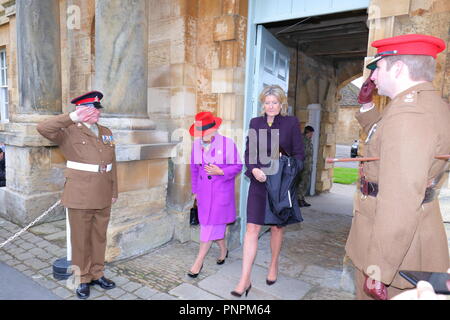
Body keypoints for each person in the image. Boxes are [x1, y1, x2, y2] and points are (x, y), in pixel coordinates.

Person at [345, 34, 450, 300]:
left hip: (396, 253)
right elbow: (384, 140)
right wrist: (367, 106)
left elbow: (400, 199)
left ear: (399, 67)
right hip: (409, 241)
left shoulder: (409, 116)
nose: (374, 77)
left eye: (378, 68)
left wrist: (379, 268)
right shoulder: (424, 105)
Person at [37, 91, 118, 299]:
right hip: (80, 194)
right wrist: (72, 117)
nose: (97, 113)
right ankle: (81, 278)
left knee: (99, 237)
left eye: (98, 109)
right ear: (82, 110)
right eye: (93, 109)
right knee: (81, 239)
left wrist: (114, 190)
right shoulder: (68, 130)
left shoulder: (106, 131)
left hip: (103, 191)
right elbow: (42, 128)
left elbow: (112, 165)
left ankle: (97, 273)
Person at [231, 85, 304, 297]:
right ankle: (244, 279)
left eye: (275, 102)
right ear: (263, 104)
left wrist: (286, 165)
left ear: (281, 104)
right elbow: (249, 153)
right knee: (251, 228)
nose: (271, 106)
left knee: (276, 228)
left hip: (280, 184)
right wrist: (253, 169)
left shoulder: (290, 123)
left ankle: (273, 264)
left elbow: (299, 156)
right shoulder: (256, 123)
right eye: (267, 102)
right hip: (258, 182)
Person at [188, 111, 243, 278]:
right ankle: (223, 249)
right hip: (204, 193)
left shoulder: (228, 144)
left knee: (208, 227)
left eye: (202, 133)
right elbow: (194, 169)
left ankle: (199, 261)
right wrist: (195, 191)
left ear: (213, 129)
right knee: (212, 225)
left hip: (220, 193)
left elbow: (238, 166)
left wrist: (221, 171)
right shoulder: (196, 145)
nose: (200, 136)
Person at [297, 126, 314, 207]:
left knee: (305, 183)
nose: (312, 135)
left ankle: (302, 198)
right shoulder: (302, 141)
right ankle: (298, 199)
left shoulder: (309, 141)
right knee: (301, 183)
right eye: (311, 133)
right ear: (308, 132)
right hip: (303, 165)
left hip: (308, 166)